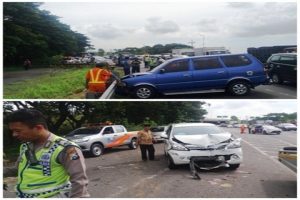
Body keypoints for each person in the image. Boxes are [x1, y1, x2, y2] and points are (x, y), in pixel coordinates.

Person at [4, 109, 90, 198]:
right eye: (12, 131)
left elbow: (79, 181)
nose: (14, 135)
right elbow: (19, 169)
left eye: (18, 131)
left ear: (38, 128)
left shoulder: (66, 149)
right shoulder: (25, 146)